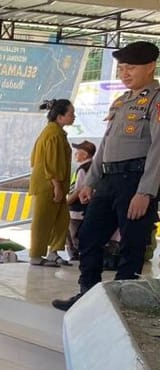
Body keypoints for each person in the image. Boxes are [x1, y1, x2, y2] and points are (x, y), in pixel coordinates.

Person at [53, 41, 160, 311]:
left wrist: (145, 192)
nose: (125, 73)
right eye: (122, 68)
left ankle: (123, 304)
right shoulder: (122, 101)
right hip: (109, 181)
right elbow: (105, 145)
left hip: (135, 181)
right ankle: (87, 294)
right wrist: (90, 182)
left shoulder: (157, 100)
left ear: (150, 67)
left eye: (131, 67)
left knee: (131, 244)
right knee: (88, 237)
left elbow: (159, 149)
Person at [27, 99, 75, 268]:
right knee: (43, 220)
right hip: (48, 185)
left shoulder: (57, 132)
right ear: (60, 117)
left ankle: (53, 252)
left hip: (57, 184)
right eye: (70, 114)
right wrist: (56, 185)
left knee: (61, 219)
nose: (73, 117)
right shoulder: (52, 134)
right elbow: (50, 163)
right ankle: (36, 255)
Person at [65, 140, 96, 261]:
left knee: (73, 235)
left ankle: (75, 255)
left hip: (77, 209)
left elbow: (78, 190)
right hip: (87, 209)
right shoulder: (94, 168)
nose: (75, 155)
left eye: (77, 152)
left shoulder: (83, 169)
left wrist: (66, 203)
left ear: (85, 155)